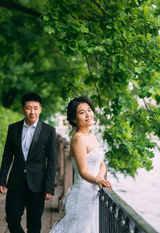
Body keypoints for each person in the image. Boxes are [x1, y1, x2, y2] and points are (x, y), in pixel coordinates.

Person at [50, 96, 112, 233]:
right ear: (74, 119)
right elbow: (83, 172)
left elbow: (102, 164)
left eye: (89, 110)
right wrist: (98, 180)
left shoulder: (93, 137)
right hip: (82, 195)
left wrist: (101, 178)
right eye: (81, 112)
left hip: (94, 193)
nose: (88, 114)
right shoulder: (78, 139)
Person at [0, 92, 57, 233]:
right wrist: (2, 180)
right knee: (11, 219)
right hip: (15, 182)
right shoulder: (13, 129)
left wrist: (49, 187)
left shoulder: (49, 131)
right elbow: (7, 156)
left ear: (40, 109)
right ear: (22, 109)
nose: (32, 112)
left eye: (36, 108)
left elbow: (52, 160)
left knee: (34, 225)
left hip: (37, 185)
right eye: (29, 108)